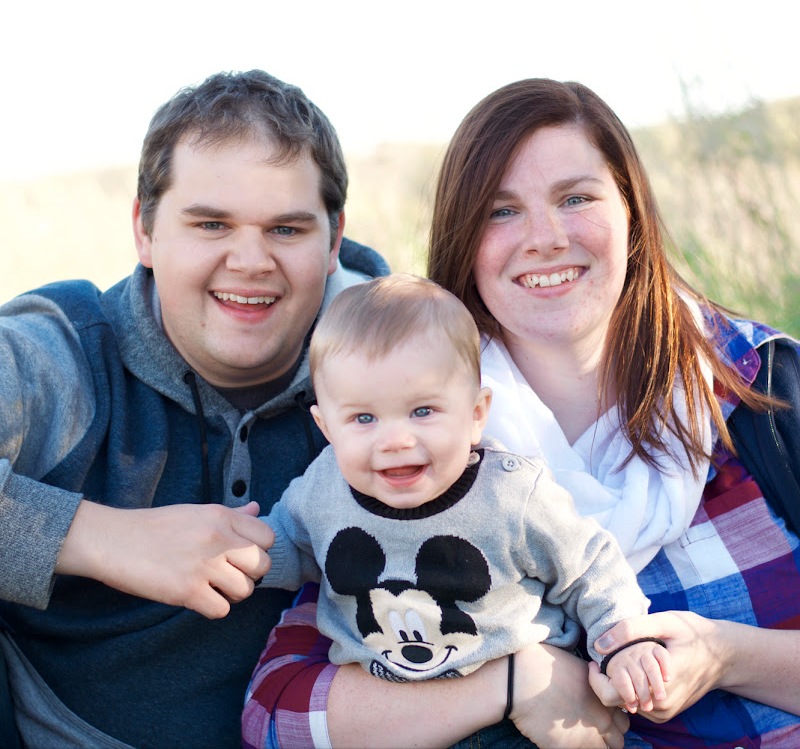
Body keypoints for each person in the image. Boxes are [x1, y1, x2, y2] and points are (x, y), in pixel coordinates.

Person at [243, 79, 800, 749]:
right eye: (501, 211)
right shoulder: (415, 434)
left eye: (576, 198)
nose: (546, 238)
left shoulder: (757, 382)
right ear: (463, 240)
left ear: (631, 211)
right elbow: (276, 715)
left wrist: (727, 656)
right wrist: (509, 682)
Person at [0, 69, 388, 749]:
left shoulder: (399, 360)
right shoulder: (58, 354)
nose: (251, 260)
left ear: (332, 241)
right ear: (145, 230)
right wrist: (99, 538)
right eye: (211, 224)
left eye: (286, 228)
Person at [255, 273, 669, 707]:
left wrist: (623, 643)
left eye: (422, 411)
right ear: (326, 428)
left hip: (525, 708)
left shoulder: (510, 494)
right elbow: (296, 545)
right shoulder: (323, 488)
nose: (395, 441)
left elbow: (589, 567)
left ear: (475, 414)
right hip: (391, 708)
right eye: (363, 419)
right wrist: (248, 558)